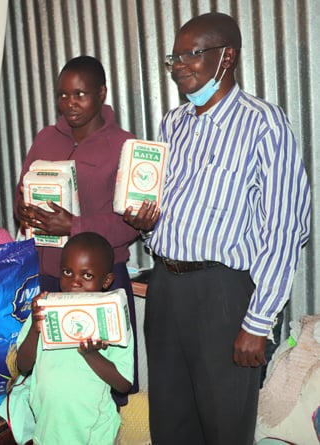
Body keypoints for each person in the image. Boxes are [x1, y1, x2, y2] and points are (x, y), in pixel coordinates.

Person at [123, 12, 310, 445]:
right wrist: (147, 226)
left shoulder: (264, 123)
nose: (180, 66)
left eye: (193, 54)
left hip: (224, 296)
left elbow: (286, 227)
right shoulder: (174, 124)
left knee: (225, 426)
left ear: (227, 57)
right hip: (166, 289)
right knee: (170, 420)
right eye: (175, 57)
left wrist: (259, 321)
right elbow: (170, 209)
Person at [14, 55, 140, 403]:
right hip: (51, 275)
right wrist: (23, 209)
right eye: (63, 95)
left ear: (102, 93)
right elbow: (23, 188)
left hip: (98, 282)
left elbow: (131, 223)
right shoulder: (45, 139)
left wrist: (74, 225)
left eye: (80, 94)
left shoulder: (124, 146)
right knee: (51, 380)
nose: (70, 104)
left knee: (106, 382)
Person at [13, 232, 134, 445]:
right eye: (67, 272)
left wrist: (91, 354)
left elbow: (123, 384)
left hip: (95, 436)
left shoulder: (112, 319)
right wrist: (34, 328)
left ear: (106, 281)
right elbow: (23, 365)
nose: (74, 282)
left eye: (87, 275)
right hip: (47, 431)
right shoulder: (46, 310)